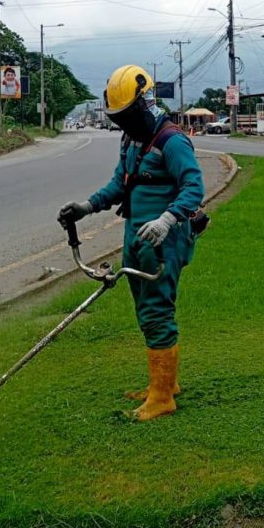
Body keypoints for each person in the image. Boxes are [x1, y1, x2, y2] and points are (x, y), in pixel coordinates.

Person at [58, 65, 204, 421]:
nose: (123, 124)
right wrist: (87, 207)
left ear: (145, 103)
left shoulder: (172, 141)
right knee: (146, 311)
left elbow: (194, 188)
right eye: (118, 118)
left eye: (127, 116)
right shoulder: (132, 141)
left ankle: (162, 398)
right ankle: (165, 384)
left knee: (157, 313)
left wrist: (167, 219)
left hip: (164, 241)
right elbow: (119, 185)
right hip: (137, 238)